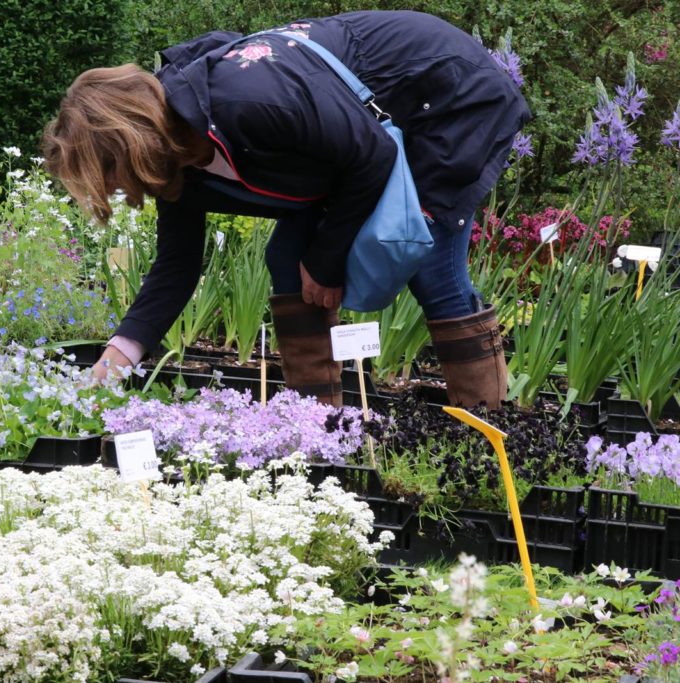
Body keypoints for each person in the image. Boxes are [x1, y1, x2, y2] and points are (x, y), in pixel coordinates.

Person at [42, 10, 531, 408]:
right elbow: (176, 267)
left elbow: (374, 157)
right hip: (358, 141)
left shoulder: (246, 101)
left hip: (442, 94)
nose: (116, 190)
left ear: (130, 147)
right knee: (286, 260)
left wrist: (326, 262)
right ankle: (320, 434)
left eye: (109, 177)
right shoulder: (177, 163)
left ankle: (482, 442)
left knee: (430, 265)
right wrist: (113, 364)